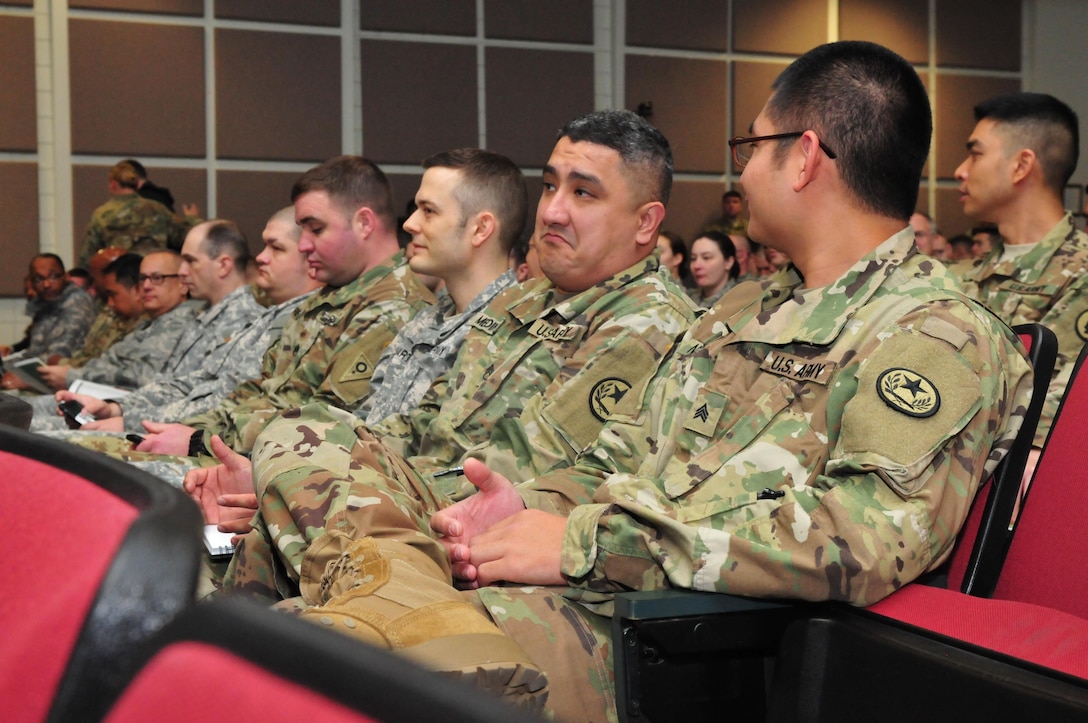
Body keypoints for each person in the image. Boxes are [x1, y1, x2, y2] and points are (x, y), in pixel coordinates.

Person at [191, 42, 1031, 720]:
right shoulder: (744, 311)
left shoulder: (938, 333)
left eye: (750, 148)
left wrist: (587, 541)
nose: (738, 175)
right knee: (255, 615)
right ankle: (390, 606)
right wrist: (529, 510)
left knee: (291, 678)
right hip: (577, 589)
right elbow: (626, 461)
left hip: (666, 639)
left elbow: (860, 542)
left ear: (804, 157)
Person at [185, 110, 699, 709]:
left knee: (280, 632)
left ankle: (388, 605)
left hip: (481, 536)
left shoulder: (645, 321)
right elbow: (425, 427)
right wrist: (302, 475)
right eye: (551, 184)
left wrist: (343, 485)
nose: (553, 209)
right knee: (290, 451)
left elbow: (521, 473)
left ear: (645, 223)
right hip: (415, 528)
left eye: (583, 193)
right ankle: (374, 597)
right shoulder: (526, 303)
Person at [131, 155, 434, 460]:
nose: (303, 245)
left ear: (364, 223)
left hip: (282, 470)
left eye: (315, 229)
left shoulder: (394, 308)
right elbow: (262, 389)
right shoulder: (330, 298)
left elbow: (325, 426)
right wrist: (191, 429)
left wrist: (201, 440)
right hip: (243, 452)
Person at [53, 206, 323, 434]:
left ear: (310, 256)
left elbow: (228, 404)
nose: (261, 257)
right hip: (182, 430)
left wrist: (127, 420)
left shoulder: (299, 322)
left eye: (275, 248)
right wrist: (117, 407)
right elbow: (195, 383)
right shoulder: (268, 317)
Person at [953, 91, 1088, 486]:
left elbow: (1045, 425)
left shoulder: (1080, 273)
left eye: (975, 154)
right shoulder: (964, 275)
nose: (961, 170)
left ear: (1021, 165)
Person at [357, 148, 525, 426]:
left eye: (429, 211)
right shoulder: (423, 323)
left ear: (480, 229)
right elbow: (366, 423)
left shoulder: (511, 336)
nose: (410, 224)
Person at [37, 253, 191, 391]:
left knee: (27, 415)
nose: (146, 286)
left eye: (157, 278)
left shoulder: (181, 325)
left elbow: (144, 378)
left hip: (129, 411)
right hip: (102, 398)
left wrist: (73, 376)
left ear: (182, 284)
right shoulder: (149, 325)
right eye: (142, 279)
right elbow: (107, 361)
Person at [1, 254, 96, 390]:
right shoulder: (46, 303)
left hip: (68, 384)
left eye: (53, 277)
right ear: (31, 282)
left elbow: (58, 358)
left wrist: (25, 379)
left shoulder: (77, 304)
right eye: (39, 279)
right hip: (41, 378)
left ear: (66, 276)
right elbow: (35, 352)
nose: (46, 284)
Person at [77, 161, 189, 268]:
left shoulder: (102, 214)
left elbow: (87, 257)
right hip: (155, 275)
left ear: (113, 184)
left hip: (121, 278)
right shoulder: (157, 208)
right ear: (137, 184)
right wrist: (193, 218)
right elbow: (182, 237)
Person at [687, 230, 740, 307]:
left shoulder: (741, 300)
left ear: (728, 262)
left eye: (706, 258)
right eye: (693, 258)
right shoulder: (687, 299)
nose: (696, 266)